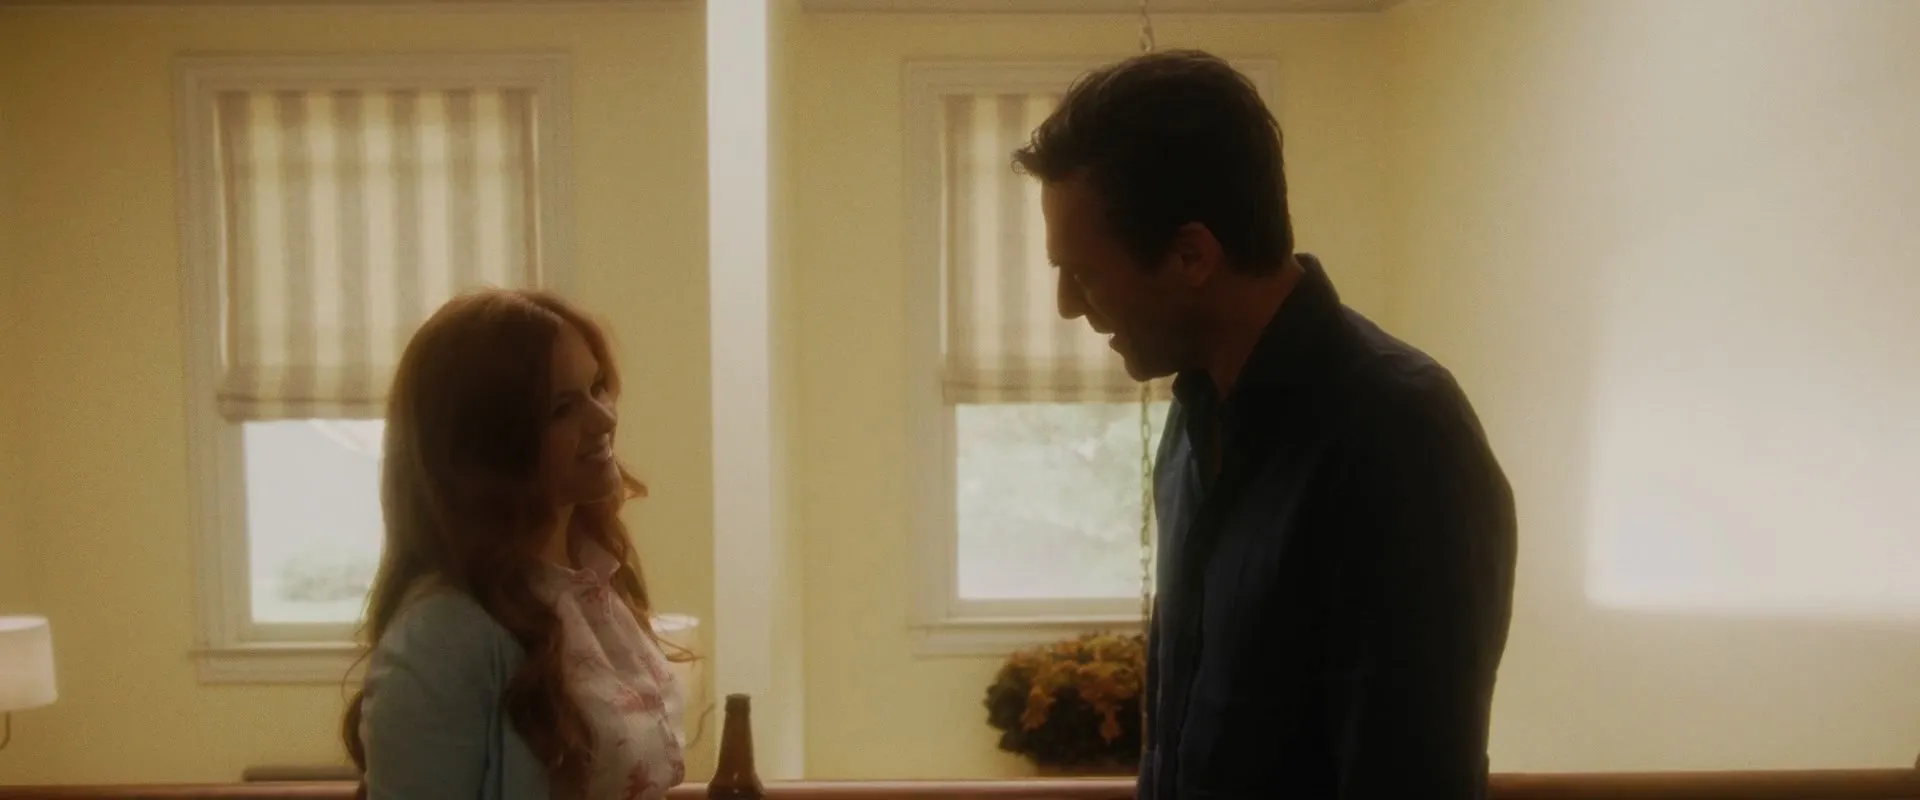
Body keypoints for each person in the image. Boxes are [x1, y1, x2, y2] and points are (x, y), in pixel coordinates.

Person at [1016, 50, 1517, 798]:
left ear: (1192, 254)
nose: (1065, 306)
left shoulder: (1399, 437)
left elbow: (1412, 773)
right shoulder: (1192, 424)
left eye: (1084, 273)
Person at [340, 288, 688, 800]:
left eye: (598, 387)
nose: (604, 419)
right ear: (490, 447)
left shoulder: (592, 587)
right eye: (563, 408)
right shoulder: (442, 637)